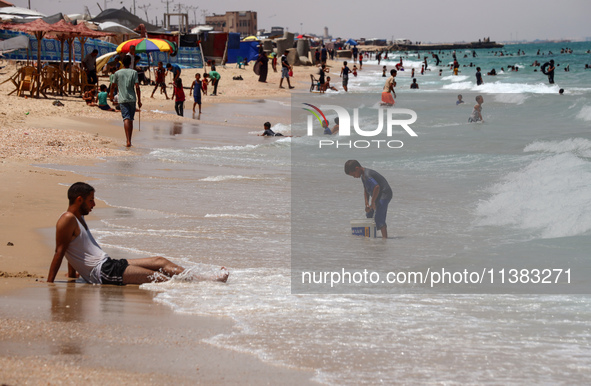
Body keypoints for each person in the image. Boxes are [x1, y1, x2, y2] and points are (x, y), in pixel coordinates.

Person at [46, 182, 229, 285]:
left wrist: (73, 274)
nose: (93, 204)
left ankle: (208, 279)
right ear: (79, 200)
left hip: (109, 264)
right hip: (102, 272)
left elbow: (72, 248)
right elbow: (60, 251)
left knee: (159, 261)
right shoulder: (67, 219)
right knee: (159, 279)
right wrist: (49, 283)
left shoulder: (78, 217)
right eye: (91, 200)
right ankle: (203, 286)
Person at [344, 160, 392, 239]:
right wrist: (366, 203)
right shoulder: (363, 176)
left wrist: (372, 202)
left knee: (379, 217)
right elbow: (366, 189)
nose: (354, 177)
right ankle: (372, 236)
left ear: (357, 168)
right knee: (369, 214)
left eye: (353, 175)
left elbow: (376, 187)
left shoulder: (367, 175)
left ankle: (384, 240)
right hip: (378, 195)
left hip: (384, 194)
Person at [109, 54, 142, 147]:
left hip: (122, 99)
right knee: (130, 119)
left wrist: (111, 96)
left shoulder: (117, 73)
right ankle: (129, 140)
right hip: (132, 99)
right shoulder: (134, 72)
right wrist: (139, 100)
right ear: (130, 63)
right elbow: (137, 87)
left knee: (126, 118)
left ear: (122, 63)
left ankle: (127, 140)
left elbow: (112, 86)